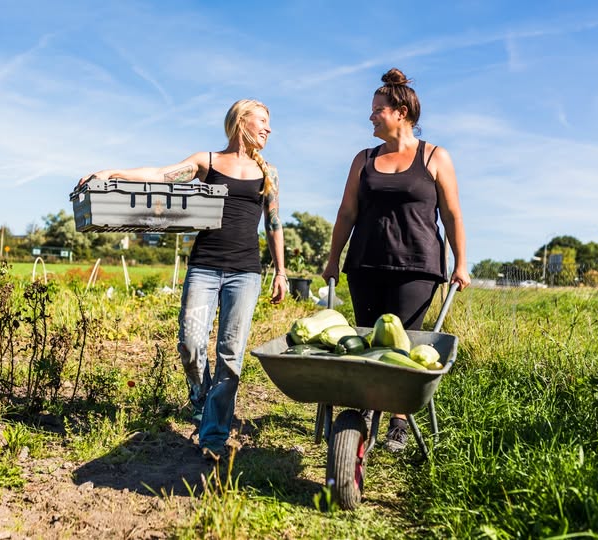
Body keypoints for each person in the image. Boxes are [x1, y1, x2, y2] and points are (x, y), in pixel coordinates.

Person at [79, 99, 288, 459]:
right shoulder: (208, 162)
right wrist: (112, 173)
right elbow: (161, 174)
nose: (268, 129)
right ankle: (201, 396)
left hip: (245, 272)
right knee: (191, 346)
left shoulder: (268, 172)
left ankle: (213, 436)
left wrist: (281, 272)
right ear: (242, 121)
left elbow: (273, 224)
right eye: (263, 121)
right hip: (205, 266)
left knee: (230, 355)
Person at [322, 68, 470, 452]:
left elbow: (452, 214)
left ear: (401, 112)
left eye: (378, 110)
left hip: (418, 267)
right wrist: (333, 258)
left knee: (403, 344)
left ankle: (399, 421)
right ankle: (365, 413)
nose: (371, 116)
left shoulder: (435, 156)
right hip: (365, 262)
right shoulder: (364, 158)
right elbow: (346, 213)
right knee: (367, 341)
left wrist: (461, 262)